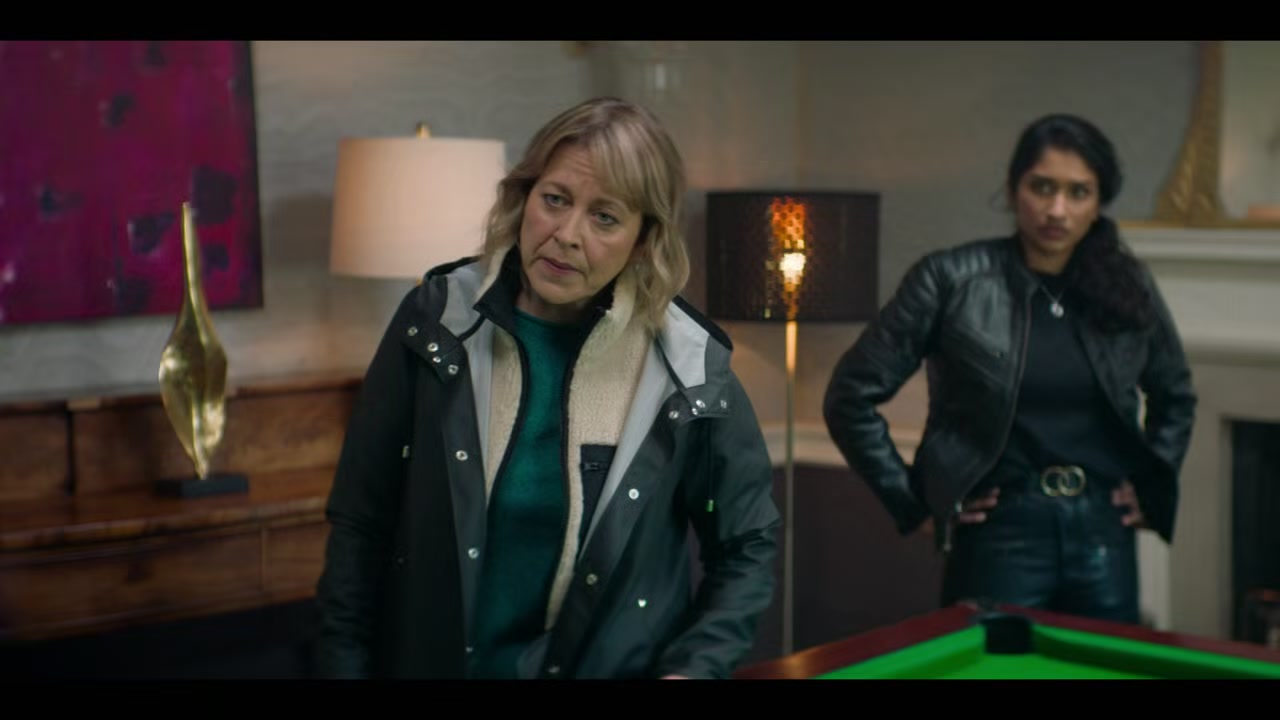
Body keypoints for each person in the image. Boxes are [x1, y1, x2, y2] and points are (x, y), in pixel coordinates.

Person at [314, 97, 780, 679]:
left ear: (644, 240)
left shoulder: (686, 366)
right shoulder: (437, 321)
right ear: (524, 197)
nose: (566, 235)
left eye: (604, 217)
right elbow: (360, 524)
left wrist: (694, 669)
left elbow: (747, 547)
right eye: (555, 199)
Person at [823, 113, 1197, 624]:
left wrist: (1152, 486)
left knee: (1103, 664)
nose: (1057, 210)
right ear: (1013, 188)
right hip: (1000, 533)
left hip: (1103, 530)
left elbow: (1175, 395)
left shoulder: (1127, 283)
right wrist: (914, 501)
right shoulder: (951, 279)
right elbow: (849, 396)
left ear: (1098, 203)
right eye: (1042, 187)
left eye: (1078, 192)